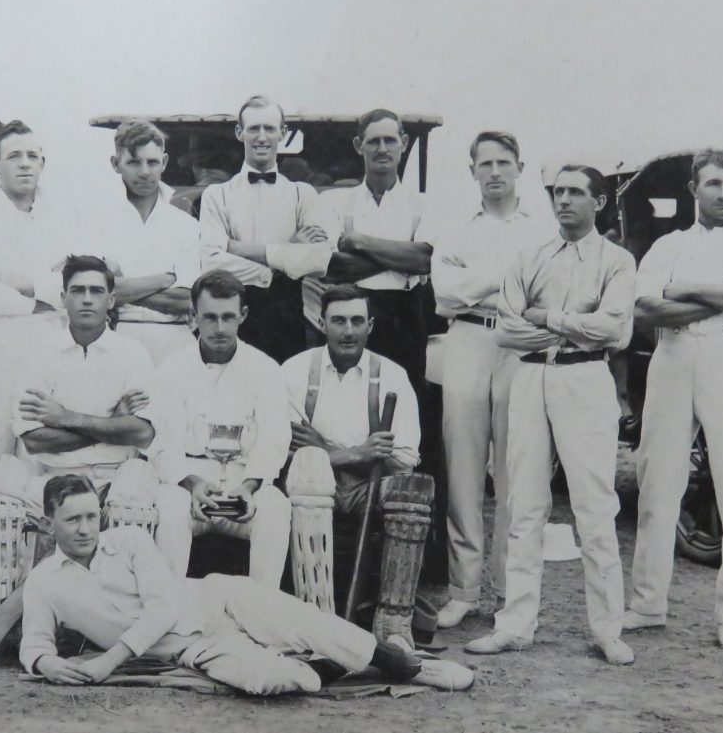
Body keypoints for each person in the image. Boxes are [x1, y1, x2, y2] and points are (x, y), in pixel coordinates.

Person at [20, 474, 474, 693]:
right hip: (191, 648)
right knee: (268, 681)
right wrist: (46, 664)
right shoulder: (43, 583)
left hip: (216, 598)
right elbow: (33, 643)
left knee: (308, 622)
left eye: (90, 516)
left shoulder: (130, 539)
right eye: (71, 519)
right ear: (48, 522)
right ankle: (330, 667)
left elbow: (161, 609)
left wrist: (108, 663)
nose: (85, 529)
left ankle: (406, 666)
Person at [465, 165, 636, 666]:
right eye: (558, 192)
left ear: (598, 202)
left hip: (585, 381)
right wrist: (570, 329)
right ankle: (516, 625)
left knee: (594, 506)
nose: (564, 200)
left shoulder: (618, 261)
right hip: (531, 377)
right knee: (523, 504)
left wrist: (552, 318)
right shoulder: (532, 255)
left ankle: (608, 630)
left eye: (576, 192)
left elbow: (614, 329)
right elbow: (506, 329)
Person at [625, 149, 723, 649]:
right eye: (713, 183)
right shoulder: (667, 245)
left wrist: (687, 291)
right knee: (658, 482)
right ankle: (648, 604)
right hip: (673, 361)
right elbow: (647, 308)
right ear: (693, 189)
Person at [0, 255, 188, 577]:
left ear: (111, 299)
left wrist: (65, 417)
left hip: (116, 477)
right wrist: (112, 422)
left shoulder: (132, 354)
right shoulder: (38, 353)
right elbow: (34, 440)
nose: (87, 299)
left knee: (137, 501)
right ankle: (2, 613)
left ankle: (128, 609)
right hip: (53, 478)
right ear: (62, 298)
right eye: (77, 291)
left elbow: (143, 433)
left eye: (96, 291)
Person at [426, 131, 552, 629]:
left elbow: (544, 291)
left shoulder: (542, 228)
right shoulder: (457, 226)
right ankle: (464, 589)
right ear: (472, 170)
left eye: (504, 162)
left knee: (517, 470)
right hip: (468, 342)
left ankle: (508, 590)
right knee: (463, 467)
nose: (495, 171)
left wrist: (480, 281)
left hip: (521, 345)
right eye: (486, 163)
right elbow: (444, 296)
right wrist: (505, 278)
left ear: (520, 166)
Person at [0, 119, 75, 629]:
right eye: (14, 156)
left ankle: (44, 598)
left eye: (33, 155)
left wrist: (26, 285)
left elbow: (72, 281)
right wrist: (43, 294)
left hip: (47, 350)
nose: (25, 164)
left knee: (43, 469)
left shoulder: (60, 217)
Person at [283, 285, 431, 646]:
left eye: (356, 321)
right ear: (321, 323)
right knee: (309, 476)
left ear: (371, 325)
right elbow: (283, 449)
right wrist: (357, 454)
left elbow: (408, 458)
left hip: (370, 488)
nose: (347, 331)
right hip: (314, 484)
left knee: (412, 493)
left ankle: (394, 625)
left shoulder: (393, 375)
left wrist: (326, 448)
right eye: (338, 320)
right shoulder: (295, 371)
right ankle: (313, 616)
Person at [152, 270, 292, 586]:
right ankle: (167, 613)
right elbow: (162, 441)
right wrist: (190, 483)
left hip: (244, 485)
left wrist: (249, 486)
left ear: (243, 315)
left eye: (228, 317)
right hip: (188, 485)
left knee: (276, 508)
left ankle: (261, 613)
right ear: (193, 316)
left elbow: (274, 440)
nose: (219, 328)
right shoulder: (171, 369)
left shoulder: (266, 369)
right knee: (170, 508)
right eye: (210, 317)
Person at [199, 95, 334, 363]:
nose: (261, 137)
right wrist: (286, 256)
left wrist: (236, 249)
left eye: (270, 128)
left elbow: (319, 260)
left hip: (288, 316)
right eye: (253, 128)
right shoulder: (217, 195)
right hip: (232, 313)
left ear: (283, 133)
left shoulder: (302, 194)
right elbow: (210, 263)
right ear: (240, 133)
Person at [320, 109, 432, 392]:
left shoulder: (423, 204)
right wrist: (401, 255)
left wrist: (358, 242)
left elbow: (423, 260)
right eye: (373, 141)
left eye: (390, 140)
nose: (382, 149)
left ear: (404, 143)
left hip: (406, 315)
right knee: (350, 392)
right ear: (359, 146)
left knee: (407, 395)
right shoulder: (335, 201)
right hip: (354, 310)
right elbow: (335, 268)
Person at [86, 119, 197, 364]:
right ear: (116, 164)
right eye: (134, 162)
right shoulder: (96, 222)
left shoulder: (187, 226)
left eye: (152, 162)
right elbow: (93, 293)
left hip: (176, 341)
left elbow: (186, 300)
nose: (145, 172)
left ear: (164, 162)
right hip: (115, 338)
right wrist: (164, 279)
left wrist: (118, 289)